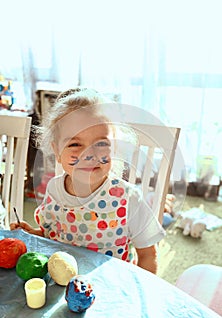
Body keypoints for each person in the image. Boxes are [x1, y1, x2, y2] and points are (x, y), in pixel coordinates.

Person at [10, 87, 166, 274]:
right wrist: (34, 234)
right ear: (57, 151)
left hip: (111, 286)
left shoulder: (128, 198)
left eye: (101, 144)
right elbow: (53, 233)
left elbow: (148, 254)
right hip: (62, 284)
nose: (88, 154)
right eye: (75, 144)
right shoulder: (53, 189)